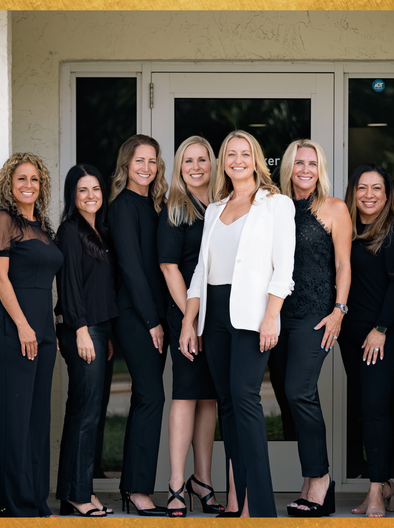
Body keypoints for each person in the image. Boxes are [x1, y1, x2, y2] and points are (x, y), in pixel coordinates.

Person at [179, 130, 295, 518]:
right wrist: (189, 320)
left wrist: (272, 315)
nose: (238, 160)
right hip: (214, 315)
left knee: (245, 402)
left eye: (245, 153)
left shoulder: (276, 205)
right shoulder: (215, 208)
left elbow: (284, 267)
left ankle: (259, 510)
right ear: (224, 162)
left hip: (251, 314)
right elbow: (201, 270)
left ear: (256, 159)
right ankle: (239, 501)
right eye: (231, 154)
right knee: (227, 405)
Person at [0, 152, 63, 517]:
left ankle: (35, 499)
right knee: (16, 413)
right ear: (9, 186)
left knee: (38, 415)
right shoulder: (3, 221)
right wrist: (24, 325)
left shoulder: (42, 228)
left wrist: (47, 328)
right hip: (13, 327)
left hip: (42, 328)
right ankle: (14, 505)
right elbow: (0, 278)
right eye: (21, 179)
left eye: (34, 180)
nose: (29, 185)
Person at [274, 139, 351, 518]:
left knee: (298, 390)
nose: (306, 169)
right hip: (276, 314)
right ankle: (309, 480)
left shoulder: (334, 208)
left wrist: (339, 310)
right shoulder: (275, 207)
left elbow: (343, 265)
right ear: (289, 166)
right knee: (294, 396)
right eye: (299, 162)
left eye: (312, 163)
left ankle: (320, 480)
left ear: (320, 169)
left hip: (316, 313)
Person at [158, 136, 224, 517]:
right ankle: (176, 483)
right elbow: (170, 268)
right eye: (188, 161)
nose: (196, 166)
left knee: (208, 398)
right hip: (186, 316)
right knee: (185, 393)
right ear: (180, 168)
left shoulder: (221, 207)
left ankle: (203, 480)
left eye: (202, 160)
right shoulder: (175, 210)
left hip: (217, 318)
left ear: (212, 165)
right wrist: (190, 319)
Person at [339, 164, 394, 517]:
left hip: (380, 336)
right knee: (366, 410)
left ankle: (377, 492)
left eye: (376, 188)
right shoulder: (347, 229)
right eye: (362, 188)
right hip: (350, 336)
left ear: (387, 194)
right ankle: (381, 486)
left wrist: (380, 329)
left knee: (376, 409)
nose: (368, 195)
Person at [108, 134, 169, 516]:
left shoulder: (156, 205)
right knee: (151, 398)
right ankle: (137, 490)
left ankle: (133, 486)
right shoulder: (122, 207)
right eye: (139, 161)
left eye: (152, 161)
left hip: (155, 316)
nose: (146, 168)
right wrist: (152, 322)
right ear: (126, 165)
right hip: (136, 316)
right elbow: (131, 268)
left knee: (148, 398)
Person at [54, 164, 118, 517]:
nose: (91, 195)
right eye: (83, 190)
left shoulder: (101, 232)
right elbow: (69, 286)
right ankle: (78, 495)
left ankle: (77, 492)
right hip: (83, 329)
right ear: (72, 195)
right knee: (84, 414)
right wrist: (81, 330)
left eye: (96, 189)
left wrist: (103, 333)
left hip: (99, 330)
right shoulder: (69, 231)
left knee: (89, 412)